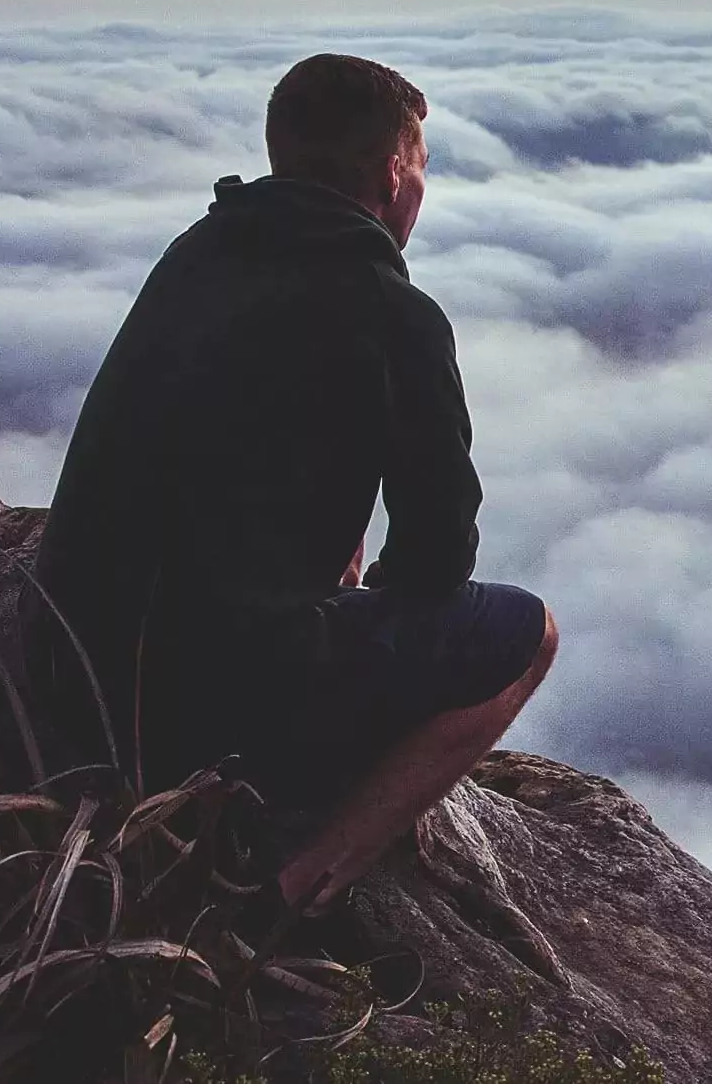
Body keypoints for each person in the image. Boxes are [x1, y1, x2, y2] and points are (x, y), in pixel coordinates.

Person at [33, 53, 556, 914]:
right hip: (206, 707)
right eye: (420, 169)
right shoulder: (392, 313)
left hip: (73, 669)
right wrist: (361, 611)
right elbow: (436, 558)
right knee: (528, 633)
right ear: (393, 177)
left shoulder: (198, 251)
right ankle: (294, 886)